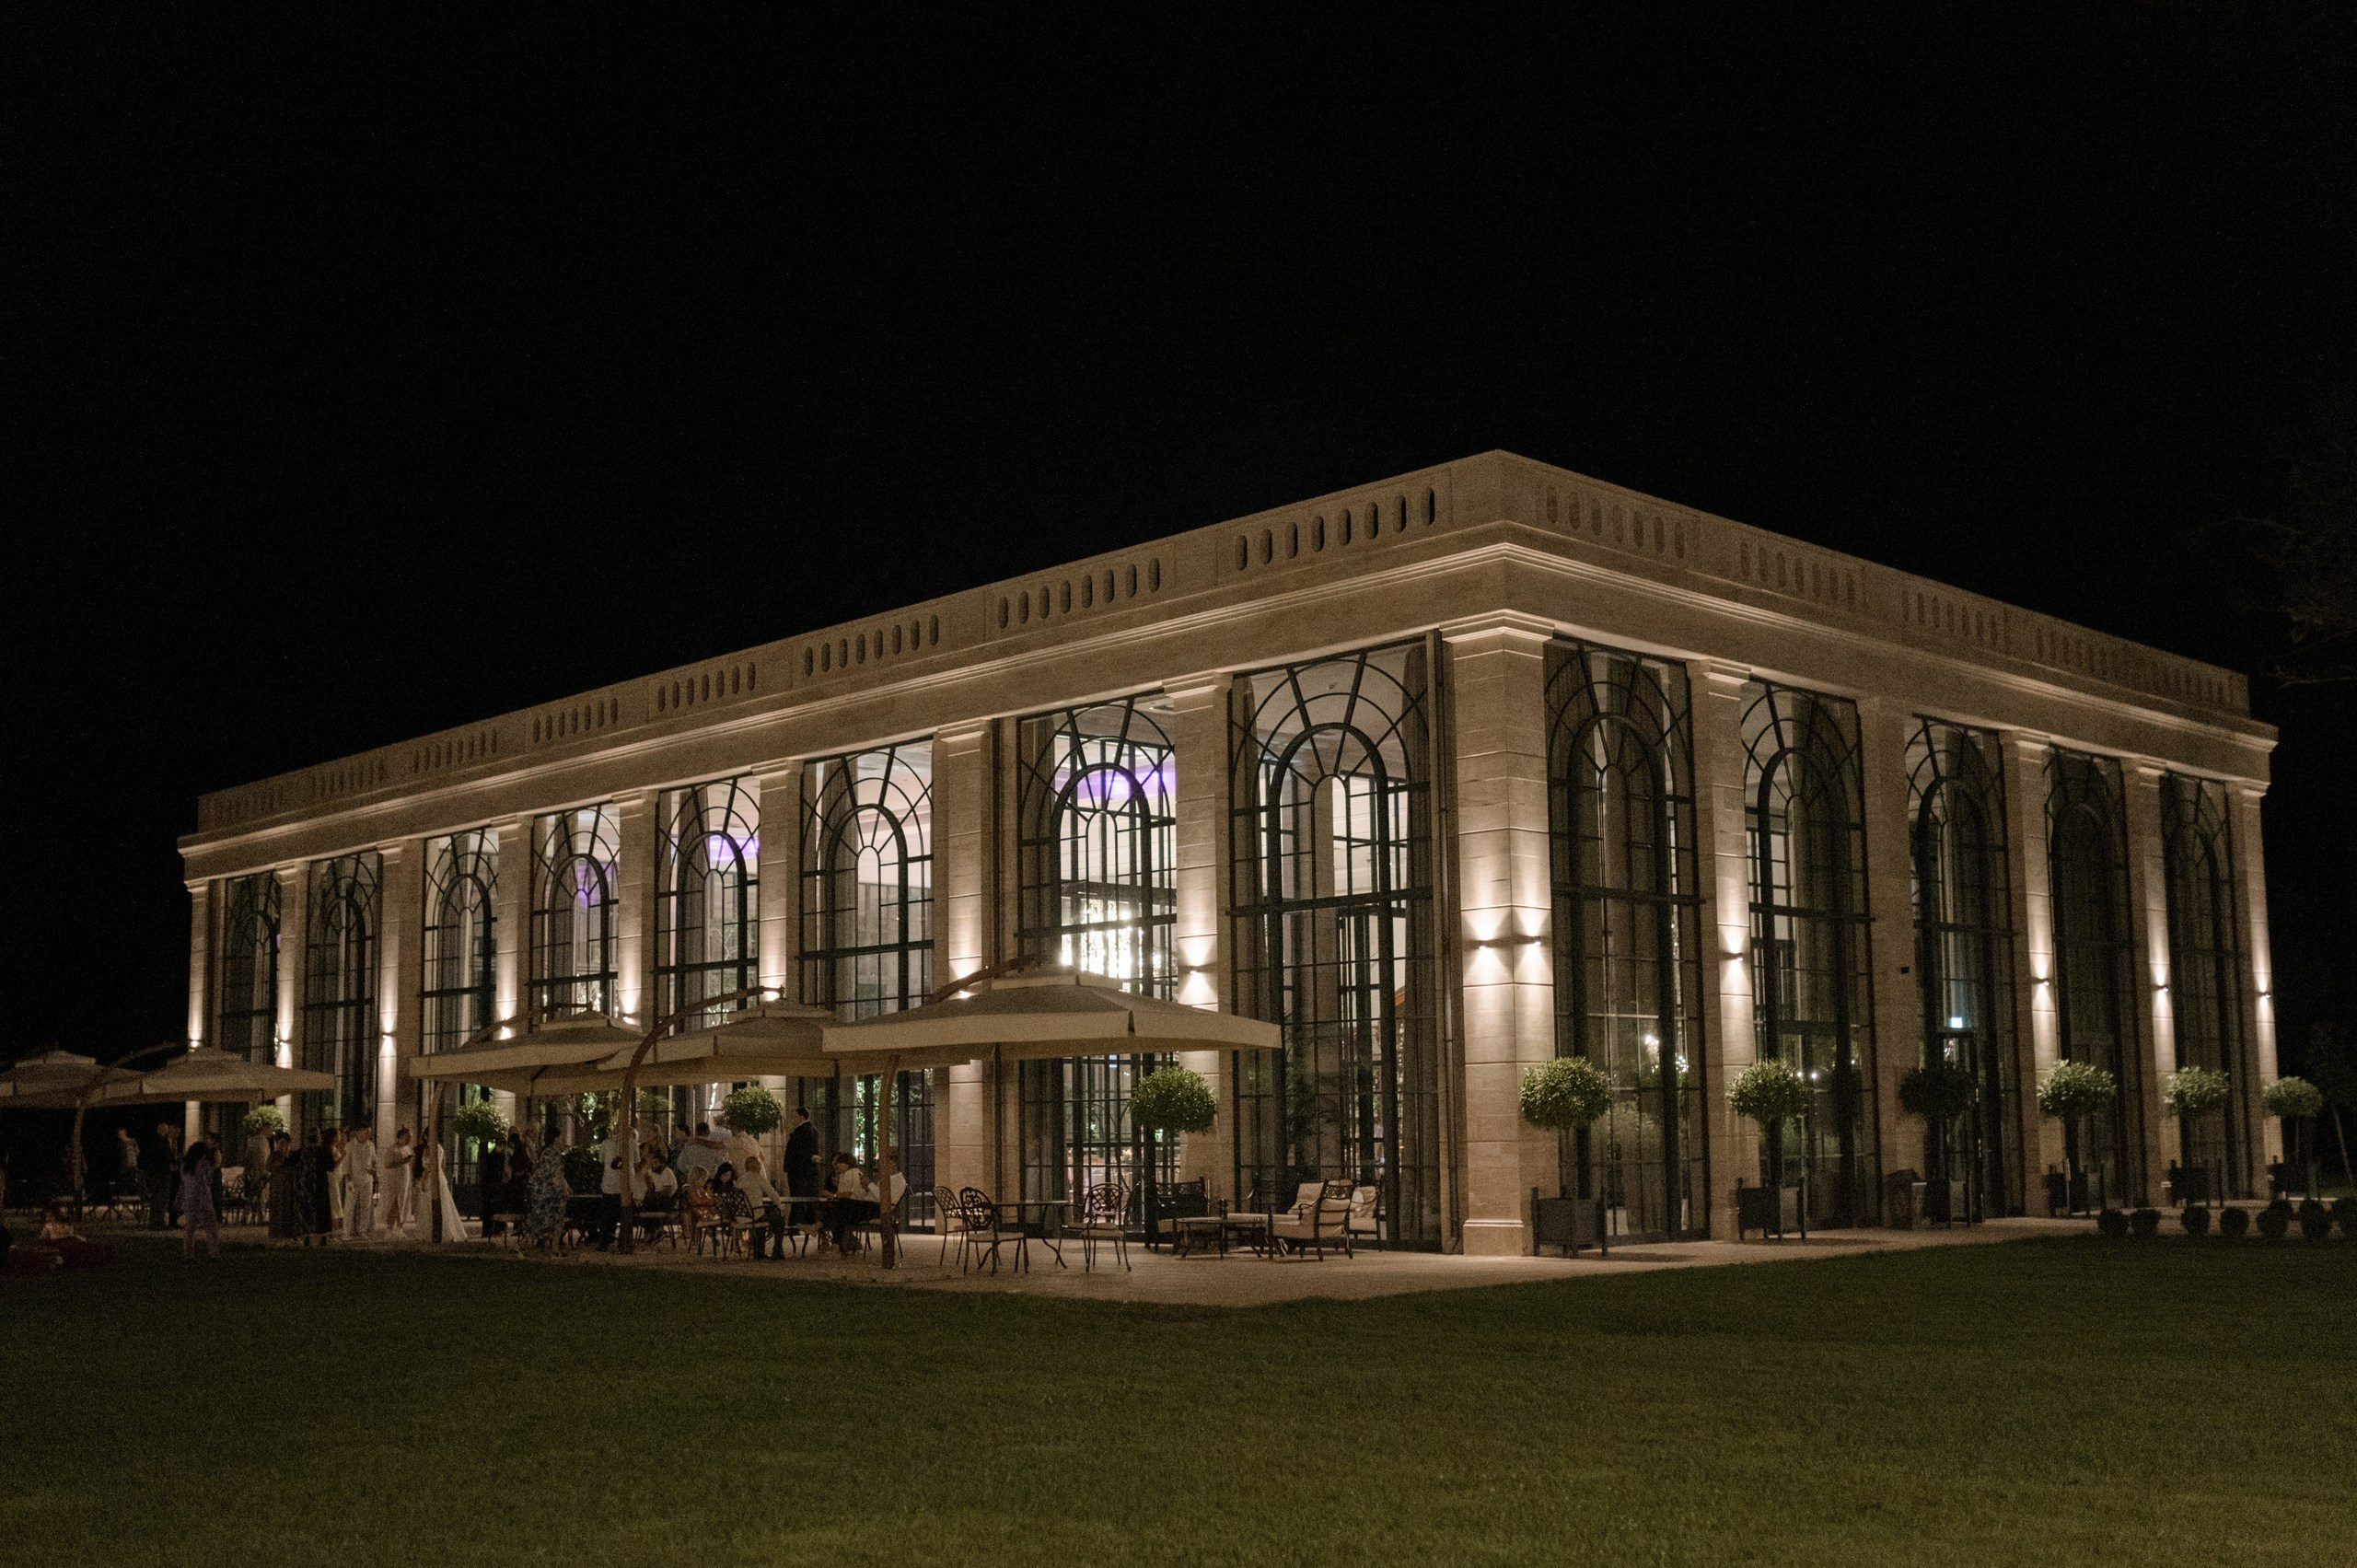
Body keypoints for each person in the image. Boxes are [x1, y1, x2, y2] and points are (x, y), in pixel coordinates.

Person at [520, 1132, 570, 1250]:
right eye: (560, 1137)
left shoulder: (544, 1153)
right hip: (552, 1192)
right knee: (558, 1220)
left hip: (540, 1191)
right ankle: (554, 1250)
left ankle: (521, 1246)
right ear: (556, 1139)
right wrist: (564, 1190)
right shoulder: (555, 1155)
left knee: (536, 1221)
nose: (561, 1140)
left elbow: (542, 1171)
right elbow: (556, 1175)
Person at [822, 1153, 877, 1254]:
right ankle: (836, 1243)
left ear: (847, 1164)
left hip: (856, 1207)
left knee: (837, 1211)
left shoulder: (851, 1173)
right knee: (836, 1211)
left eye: (839, 1163)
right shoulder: (843, 1175)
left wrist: (833, 1196)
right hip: (850, 1206)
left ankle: (823, 1231)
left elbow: (848, 1194)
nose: (837, 1166)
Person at [180, 1140, 222, 1260]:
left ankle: (188, 1254)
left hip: (189, 1200)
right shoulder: (203, 1165)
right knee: (211, 1229)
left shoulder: (185, 1166)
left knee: (189, 1229)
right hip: (203, 1201)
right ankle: (213, 1253)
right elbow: (209, 1180)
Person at [36, 1204, 114, 1268]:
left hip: (71, 1239)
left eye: (51, 1216)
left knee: (87, 1247)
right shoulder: (48, 1226)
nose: (49, 1218)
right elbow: (43, 1238)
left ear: (56, 1215)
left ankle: (102, 1255)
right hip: (60, 1242)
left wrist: (78, 1237)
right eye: (47, 1217)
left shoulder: (64, 1224)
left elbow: (73, 1233)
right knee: (71, 1250)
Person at [264, 1132, 304, 1242]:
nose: (282, 1146)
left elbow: (299, 1168)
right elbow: (268, 1168)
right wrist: (278, 1163)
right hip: (278, 1187)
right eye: (279, 1144)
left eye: (284, 1144)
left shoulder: (293, 1155)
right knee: (279, 1210)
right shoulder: (274, 1156)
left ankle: (293, 1234)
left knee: (292, 1210)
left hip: (291, 1186)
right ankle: (279, 1236)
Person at [139, 1122, 177, 1229]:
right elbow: (168, 1157)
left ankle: (153, 1221)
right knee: (162, 1198)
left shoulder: (152, 1143)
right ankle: (159, 1222)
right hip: (163, 1173)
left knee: (155, 1198)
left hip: (154, 1173)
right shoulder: (164, 1142)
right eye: (166, 1130)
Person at [344, 1125, 377, 1238]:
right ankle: (346, 1232)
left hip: (367, 1179)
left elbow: (374, 1161)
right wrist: (348, 1180)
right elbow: (347, 1163)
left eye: (369, 1133)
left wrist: (373, 1170)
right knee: (350, 1206)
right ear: (359, 1132)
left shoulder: (371, 1145)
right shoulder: (350, 1145)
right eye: (366, 1132)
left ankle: (363, 1230)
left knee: (366, 1205)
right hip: (354, 1179)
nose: (368, 1135)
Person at [379, 1128, 415, 1234]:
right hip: (394, 1179)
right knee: (394, 1202)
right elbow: (387, 1164)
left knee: (404, 1201)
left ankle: (400, 1227)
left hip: (405, 1178)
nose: (410, 1139)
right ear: (402, 1136)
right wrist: (403, 1161)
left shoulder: (408, 1148)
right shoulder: (392, 1149)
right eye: (408, 1137)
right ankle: (389, 1228)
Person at [783, 1106, 821, 1200]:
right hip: (799, 1171)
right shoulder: (806, 1130)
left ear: (801, 1117)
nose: (792, 1120)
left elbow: (802, 1150)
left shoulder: (805, 1131)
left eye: (795, 1117)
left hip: (800, 1172)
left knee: (799, 1197)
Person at [114, 1127, 143, 1205]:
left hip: (132, 1164)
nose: (120, 1135)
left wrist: (133, 1159)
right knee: (124, 1181)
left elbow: (137, 1151)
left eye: (121, 1133)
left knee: (133, 1180)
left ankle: (134, 1197)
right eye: (119, 1134)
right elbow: (119, 1154)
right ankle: (125, 1198)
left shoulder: (132, 1141)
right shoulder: (120, 1143)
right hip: (124, 1165)